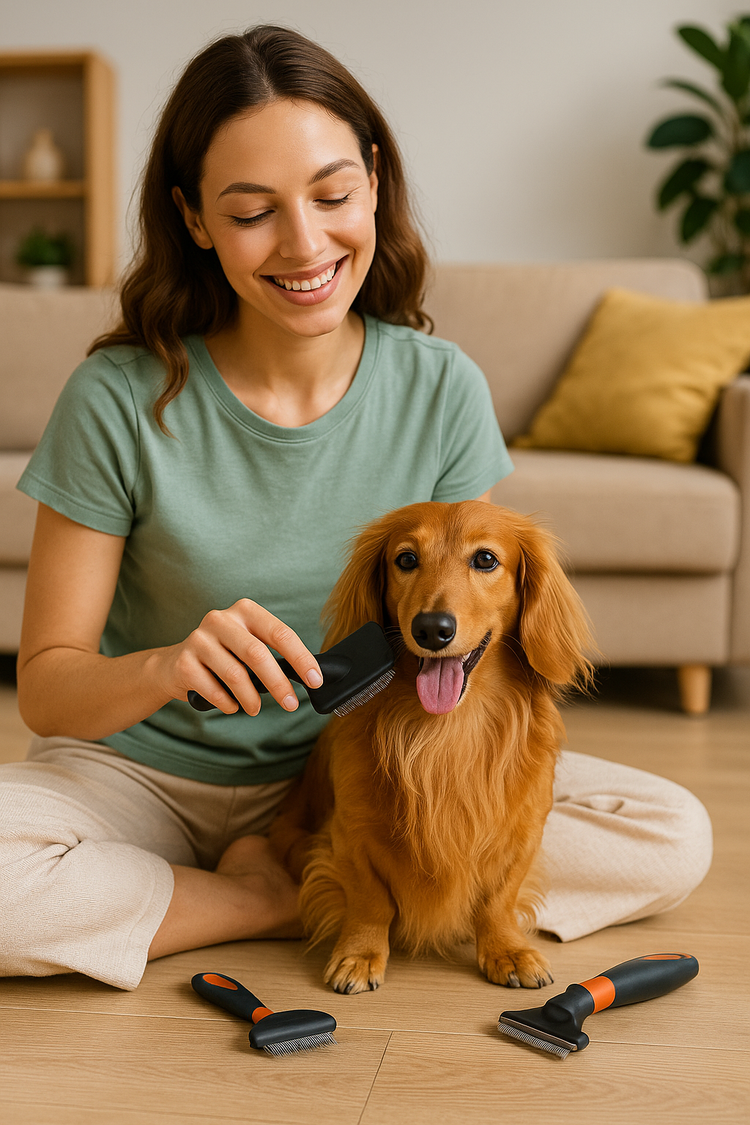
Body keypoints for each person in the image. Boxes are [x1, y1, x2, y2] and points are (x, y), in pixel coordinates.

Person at [1, 26, 711, 991]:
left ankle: (242, 888)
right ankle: (270, 899)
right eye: (253, 212)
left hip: (369, 771)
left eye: (333, 196)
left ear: (374, 181)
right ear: (196, 218)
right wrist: (169, 666)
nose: (306, 244)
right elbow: (46, 684)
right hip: (141, 780)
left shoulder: (442, 387)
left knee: (674, 835)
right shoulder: (120, 396)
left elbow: (469, 623)